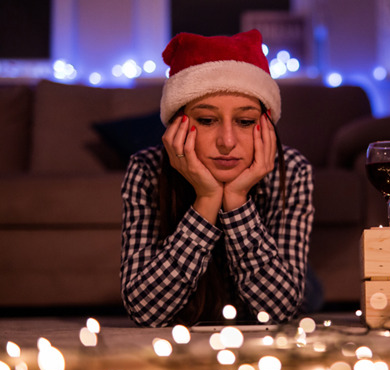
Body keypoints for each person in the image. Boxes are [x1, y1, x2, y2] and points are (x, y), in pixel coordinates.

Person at [120, 30, 315, 327]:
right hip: (199, 309)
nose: (227, 141)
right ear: (178, 125)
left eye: (245, 121)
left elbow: (279, 311)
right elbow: (146, 312)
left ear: (265, 127)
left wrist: (236, 201)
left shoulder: (292, 169)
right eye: (207, 120)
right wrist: (207, 200)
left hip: (288, 277)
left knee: (309, 293)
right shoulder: (145, 169)